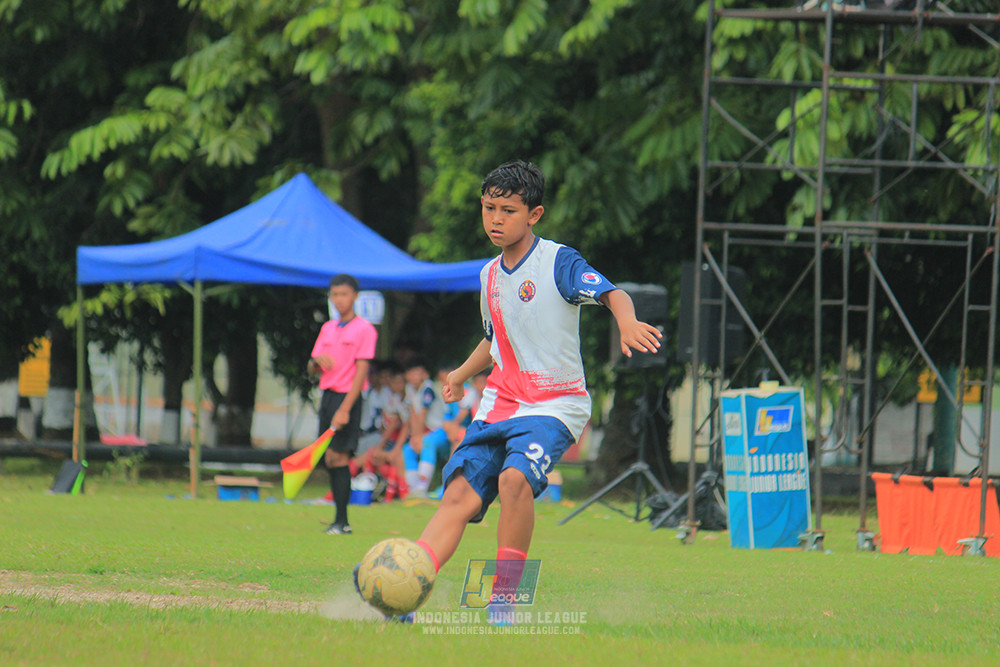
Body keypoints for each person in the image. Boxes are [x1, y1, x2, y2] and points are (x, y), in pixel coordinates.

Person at [384, 159, 662, 621]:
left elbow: (613, 294)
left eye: (508, 210)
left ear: (534, 215)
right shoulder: (488, 275)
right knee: (457, 495)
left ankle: (505, 599)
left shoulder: (558, 261)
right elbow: (496, 339)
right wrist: (458, 375)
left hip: (556, 404)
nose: (495, 218)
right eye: (488, 207)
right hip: (499, 404)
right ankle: (404, 593)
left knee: (514, 480)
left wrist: (627, 320)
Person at [308, 274, 377, 535]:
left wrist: (346, 408)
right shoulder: (327, 328)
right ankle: (339, 521)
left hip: (347, 396)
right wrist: (316, 362)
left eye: (344, 294)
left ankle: (342, 521)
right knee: (329, 457)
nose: (339, 300)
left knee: (340, 456)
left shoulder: (364, 330)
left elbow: (362, 371)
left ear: (355, 296)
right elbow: (311, 367)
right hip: (327, 396)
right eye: (335, 295)